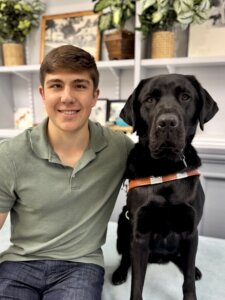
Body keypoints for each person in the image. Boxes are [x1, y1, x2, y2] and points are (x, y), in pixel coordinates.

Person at [0, 45, 134, 300]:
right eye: (56, 85)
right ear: (42, 93)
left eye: (79, 85)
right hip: (19, 264)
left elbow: (158, 178)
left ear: (95, 95)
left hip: (81, 266)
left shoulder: (120, 149)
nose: (67, 97)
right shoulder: (9, 154)